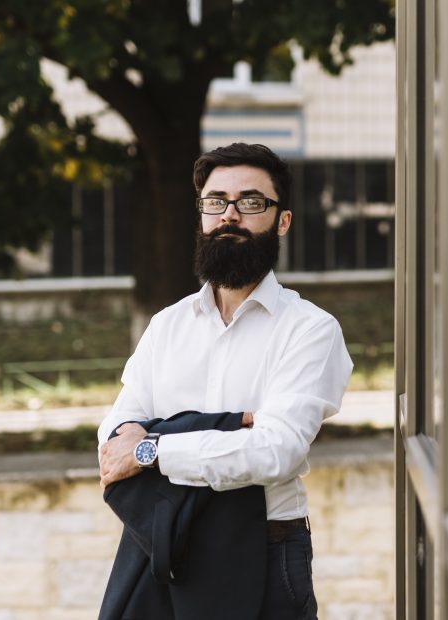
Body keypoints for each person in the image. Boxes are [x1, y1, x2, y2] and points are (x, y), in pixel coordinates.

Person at [96, 142, 353, 619]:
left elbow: (276, 452)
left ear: (282, 221)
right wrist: (232, 426)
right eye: (216, 202)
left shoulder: (311, 330)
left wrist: (152, 448)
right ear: (201, 216)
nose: (230, 215)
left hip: (266, 551)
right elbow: (112, 442)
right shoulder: (167, 325)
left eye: (252, 202)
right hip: (164, 548)